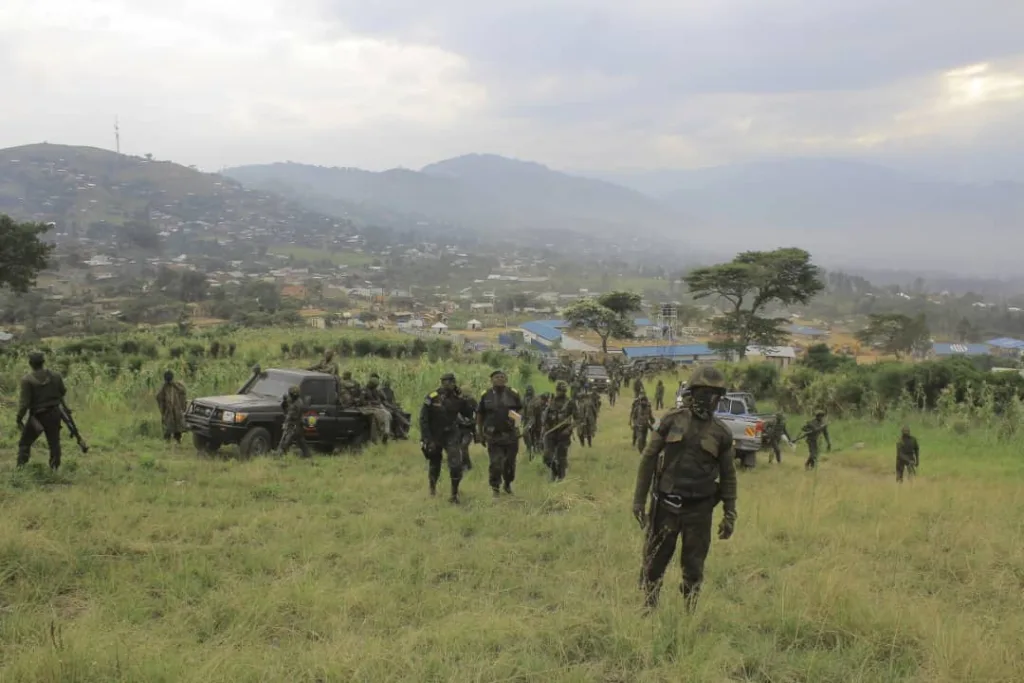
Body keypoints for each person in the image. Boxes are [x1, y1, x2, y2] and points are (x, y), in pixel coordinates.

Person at [631, 365, 737, 612]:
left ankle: (689, 612)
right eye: (704, 393)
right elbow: (648, 458)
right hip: (666, 507)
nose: (710, 399)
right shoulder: (672, 420)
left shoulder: (722, 433)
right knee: (655, 560)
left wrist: (730, 513)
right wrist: (638, 501)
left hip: (699, 511)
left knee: (694, 566)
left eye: (715, 395)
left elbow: (729, 476)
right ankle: (649, 607)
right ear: (693, 392)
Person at [419, 372, 475, 503]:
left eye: (451, 381)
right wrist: (426, 438)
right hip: (435, 434)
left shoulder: (457, 398)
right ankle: (432, 488)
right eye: (446, 381)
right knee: (435, 463)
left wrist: (464, 399)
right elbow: (423, 419)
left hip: (451, 434)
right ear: (442, 382)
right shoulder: (433, 396)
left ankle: (454, 494)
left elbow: (468, 413)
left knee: (456, 465)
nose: (449, 384)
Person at [15, 352, 68, 470]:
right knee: (54, 443)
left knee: (25, 443)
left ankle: (20, 468)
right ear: (43, 362)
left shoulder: (27, 380)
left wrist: (19, 418)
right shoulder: (56, 376)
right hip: (54, 413)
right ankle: (54, 469)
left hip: (37, 416)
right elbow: (62, 392)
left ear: (30, 363)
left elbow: (24, 404)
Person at [476, 370, 523, 496]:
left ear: (506, 380)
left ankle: (507, 484)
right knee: (496, 463)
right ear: (492, 380)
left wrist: (516, 424)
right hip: (493, 436)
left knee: (509, 464)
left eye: (502, 377)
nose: (500, 379)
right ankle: (495, 488)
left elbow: (520, 410)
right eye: (497, 377)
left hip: (511, 435)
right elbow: (480, 414)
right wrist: (480, 433)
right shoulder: (486, 395)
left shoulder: (513, 393)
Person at [542, 381, 576, 480]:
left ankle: (561, 477)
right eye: (558, 390)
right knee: (547, 456)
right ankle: (554, 471)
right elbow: (545, 416)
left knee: (561, 457)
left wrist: (569, 429)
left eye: (562, 390)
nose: (559, 392)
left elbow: (578, 419)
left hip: (563, 433)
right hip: (550, 432)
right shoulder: (551, 401)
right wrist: (544, 428)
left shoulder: (570, 403)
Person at [276, 385, 311, 457]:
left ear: (292, 395)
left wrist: (285, 423)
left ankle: (280, 455)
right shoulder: (298, 401)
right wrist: (285, 402)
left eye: (290, 394)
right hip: (298, 425)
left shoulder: (296, 404)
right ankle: (307, 455)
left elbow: (290, 415)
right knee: (301, 441)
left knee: (285, 441)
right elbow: (286, 407)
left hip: (294, 425)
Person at [155, 370, 188, 444]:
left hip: (176, 409)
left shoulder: (177, 385)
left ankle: (178, 439)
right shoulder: (164, 387)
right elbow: (158, 396)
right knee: (167, 425)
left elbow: (183, 391)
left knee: (178, 425)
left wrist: (174, 385)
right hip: (168, 410)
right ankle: (167, 440)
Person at [362, 374, 392, 444]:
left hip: (376, 407)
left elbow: (378, 400)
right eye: (374, 386)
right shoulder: (364, 390)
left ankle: (386, 433)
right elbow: (362, 401)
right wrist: (371, 402)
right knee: (375, 417)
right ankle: (374, 439)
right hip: (367, 408)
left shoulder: (375, 391)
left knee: (387, 414)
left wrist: (374, 402)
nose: (375, 387)